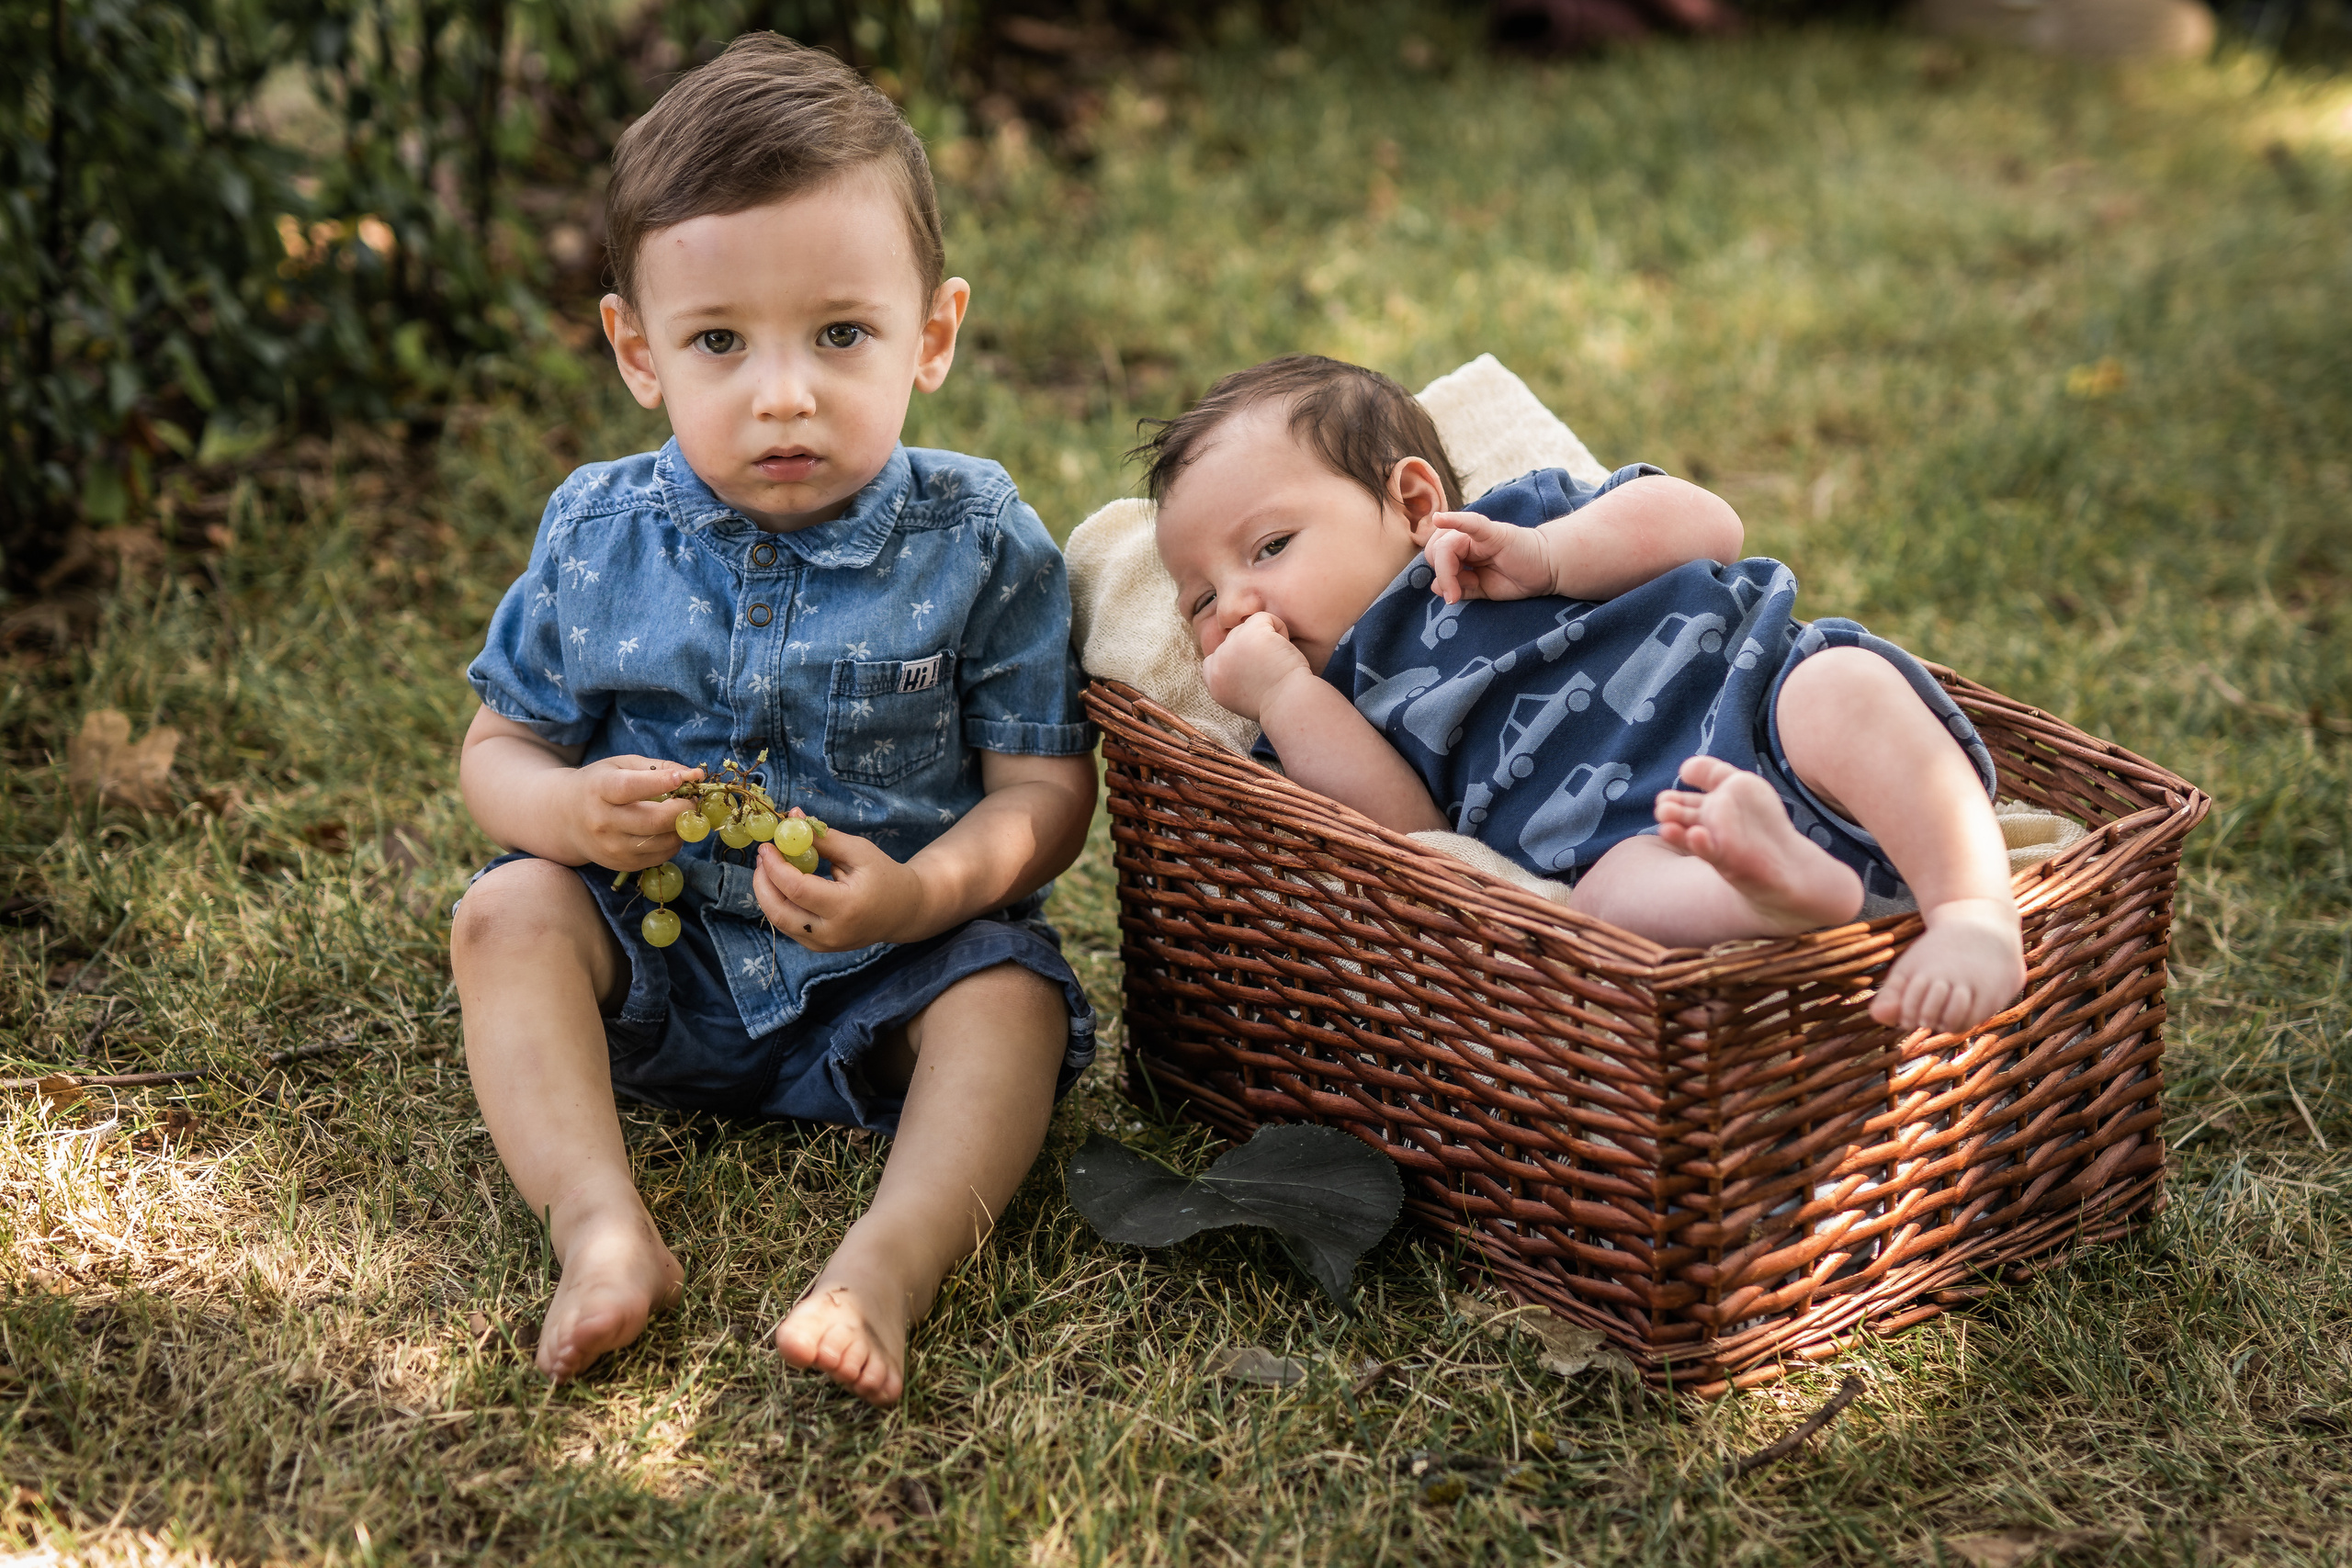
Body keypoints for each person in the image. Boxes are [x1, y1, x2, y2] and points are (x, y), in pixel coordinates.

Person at [451, 35, 1099, 1406]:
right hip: (657, 953)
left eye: (842, 333)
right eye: (720, 342)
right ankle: (598, 1222)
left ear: (933, 333)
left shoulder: (979, 541)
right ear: (639, 349)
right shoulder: (597, 532)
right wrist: (564, 813)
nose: (784, 391)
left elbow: (1044, 793)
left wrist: (923, 893)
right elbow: (496, 750)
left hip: (893, 969)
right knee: (504, 915)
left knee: (1011, 1004)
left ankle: (889, 1261)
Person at [1145, 355, 2025, 1034]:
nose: (1235, 608)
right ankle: (1777, 898)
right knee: (1604, 906)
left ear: (1413, 499)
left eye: (1268, 549)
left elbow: (1712, 527)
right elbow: (1407, 835)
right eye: (1200, 600)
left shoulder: (1515, 525)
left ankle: (1971, 911)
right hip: (1663, 837)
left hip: (1763, 709)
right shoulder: (1321, 713)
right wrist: (1286, 696)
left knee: (1844, 684)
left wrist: (1554, 556)